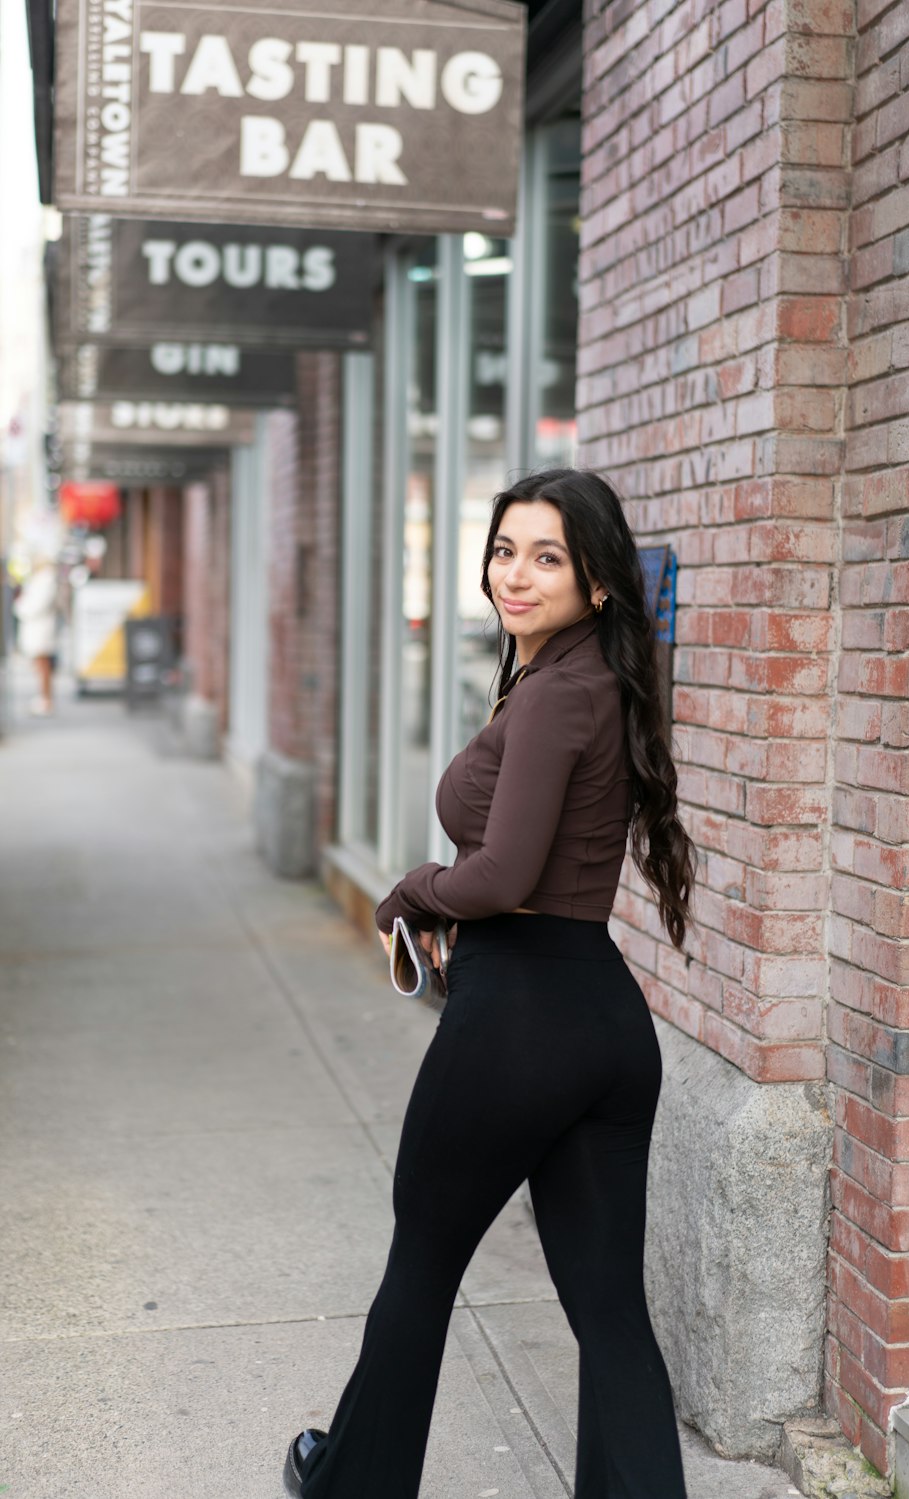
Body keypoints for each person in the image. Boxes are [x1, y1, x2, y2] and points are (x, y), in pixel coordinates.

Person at [284, 469, 696, 1499]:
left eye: (548, 555)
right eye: (506, 549)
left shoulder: (559, 692)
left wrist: (414, 889)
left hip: (520, 1022)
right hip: (603, 1020)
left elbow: (504, 875)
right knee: (608, 1312)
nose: (516, 573)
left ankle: (346, 1483)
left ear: (597, 579)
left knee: (420, 1267)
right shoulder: (587, 674)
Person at [13, 554, 60, 716]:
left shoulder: (46, 580)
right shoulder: (40, 579)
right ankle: (43, 698)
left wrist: (20, 606)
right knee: (40, 665)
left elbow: (35, 605)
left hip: (41, 628)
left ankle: (46, 700)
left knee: (43, 665)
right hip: (37, 627)